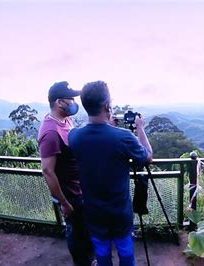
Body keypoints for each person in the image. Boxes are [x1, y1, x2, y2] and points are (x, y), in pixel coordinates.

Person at [68, 81, 153, 266]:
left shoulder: (74, 136)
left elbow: (92, 138)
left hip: (93, 212)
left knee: (103, 255)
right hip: (120, 213)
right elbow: (147, 157)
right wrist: (140, 128)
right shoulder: (123, 137)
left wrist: (107, 124)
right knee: (126, 255)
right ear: (108, 106)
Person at [38, 81, 95, 266]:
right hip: (69, 195)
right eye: (70, 99)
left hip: (79, 188)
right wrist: (64, 202)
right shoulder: (50, 133)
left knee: (85, 228)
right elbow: (47, 171)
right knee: (76, 232)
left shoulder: (65, 120)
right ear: (59, 102)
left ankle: (89, 259)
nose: (73, 102)